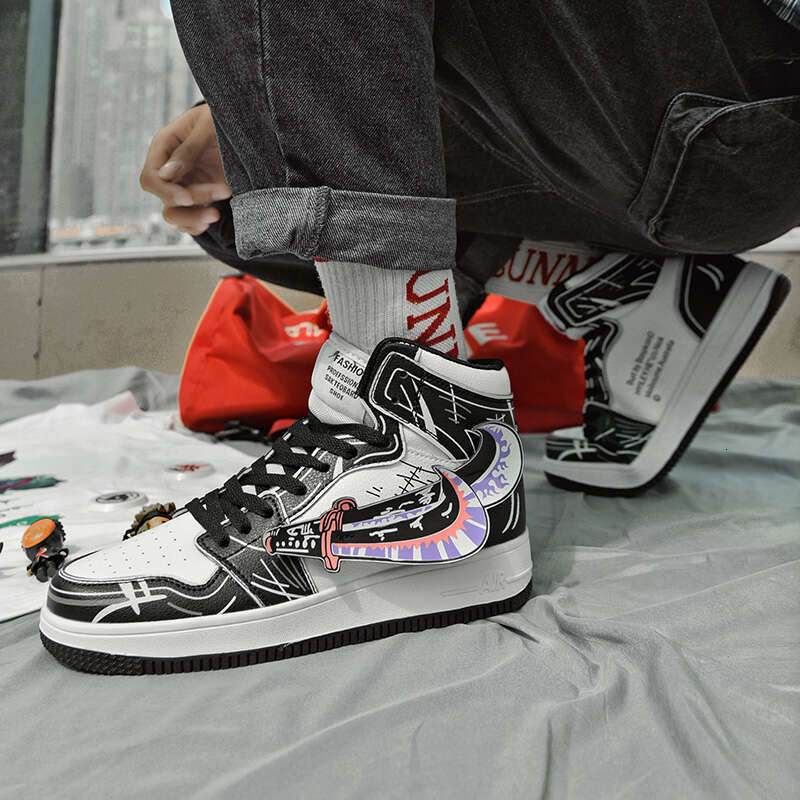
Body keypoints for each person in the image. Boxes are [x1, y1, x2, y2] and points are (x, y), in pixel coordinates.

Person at [39, 0, 798, 674]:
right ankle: (613, 289)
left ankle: (408, 447)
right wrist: (260, 95)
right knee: (243, 201)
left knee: (281, 150)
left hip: (746, 95)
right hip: (657, 121)